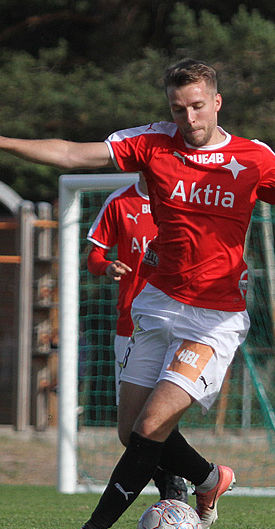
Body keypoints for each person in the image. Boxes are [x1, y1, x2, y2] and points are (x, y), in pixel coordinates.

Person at [0, 58, 275, 529]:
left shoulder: (253, 157)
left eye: (196, 106)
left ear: (216, 102)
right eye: (177, 108)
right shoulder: (152, 142)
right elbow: (74, 155)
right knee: (131, 431)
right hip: (157, 306)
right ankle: (211, 478)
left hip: (214, 319)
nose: (188, 118)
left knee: (149, 429)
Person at [86, 174, 189, 503]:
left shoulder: (185, 198)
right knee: (131, 429)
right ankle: (184, 478)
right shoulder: (119, 202)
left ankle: (177, 486)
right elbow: (93, 257)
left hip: (177, 321)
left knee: (157, 415)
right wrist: (106, 267)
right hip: (130, 325)